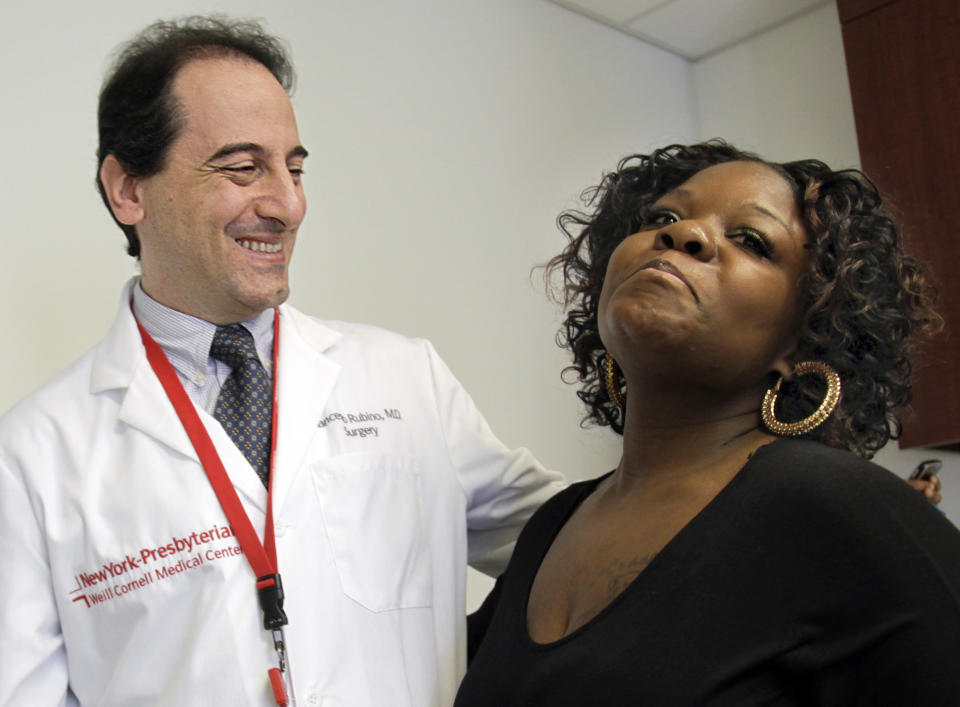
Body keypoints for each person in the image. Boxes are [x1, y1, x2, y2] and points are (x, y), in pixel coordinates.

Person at [0, 16, 563, 706]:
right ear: (128, 189)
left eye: (293, 168)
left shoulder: (404, 378)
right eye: (243, 168)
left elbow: (581, 544)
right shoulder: (30, 456)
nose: (288, 204)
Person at [455, 141, 960, 705]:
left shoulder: (836, 505)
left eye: (751, 241)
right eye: (662, 218)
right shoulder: (555, 522)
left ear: (806, 334)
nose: (682, 235)